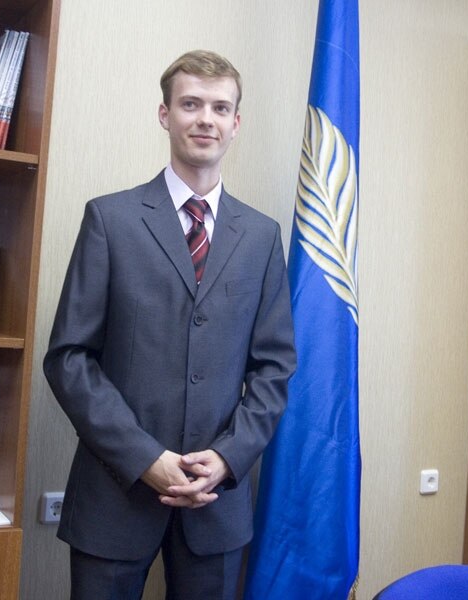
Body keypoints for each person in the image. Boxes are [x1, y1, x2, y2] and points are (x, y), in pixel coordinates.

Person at [43, 49, 296, 600]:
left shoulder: (261, 237)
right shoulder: (110, 220)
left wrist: (228, 457)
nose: (206, 119)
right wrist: (144, 458)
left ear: (236, 123)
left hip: (217, 504)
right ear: (165, 115)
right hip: (114, 498)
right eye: (190, 104)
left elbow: (274, 368)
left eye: (220, 108)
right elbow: (69, 359)